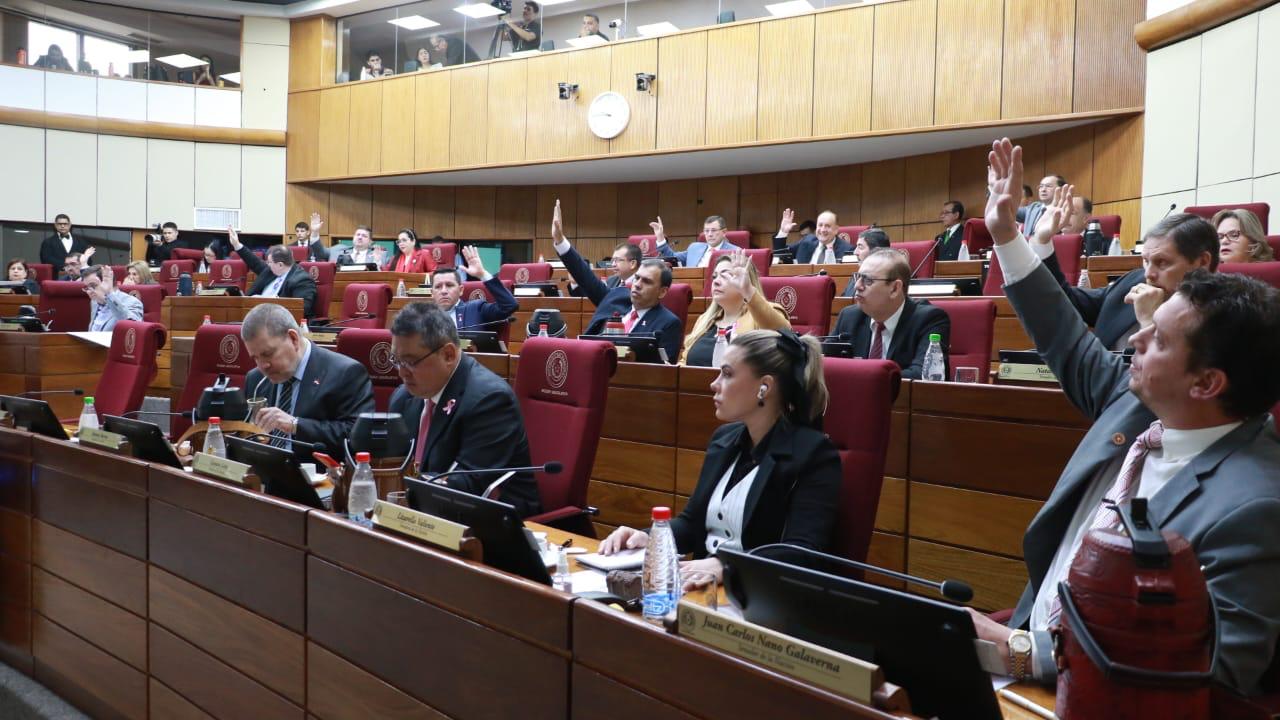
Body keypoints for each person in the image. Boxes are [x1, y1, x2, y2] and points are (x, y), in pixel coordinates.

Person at [969, 136, 1280, 695]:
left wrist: (1023, 654)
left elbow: (1217, 675)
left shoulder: (1256, 506)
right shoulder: (1140, 403)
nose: (1133, 337)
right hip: (1015, 661)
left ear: (1207, 382)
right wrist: (1006, 235)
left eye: (1157, 337)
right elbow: (1064, 335)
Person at [600, 329, 840, 590]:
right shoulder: (723, 440)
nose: (714, 384)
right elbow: (691, 524)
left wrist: (728, 564)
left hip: (759, 598)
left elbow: (803, 553)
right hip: (699, 588)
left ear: (765, 387)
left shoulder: (814, 454)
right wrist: (648, 539)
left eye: (727, 374)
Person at [387, 302, 542, 517]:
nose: (402, 373)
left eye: (411, 362)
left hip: (496, 525)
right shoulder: (403, 397)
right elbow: (391, 461)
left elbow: (469, 485)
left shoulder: (490, 400)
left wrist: (402, 485)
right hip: (427, 514)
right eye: (397, 360)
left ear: (448, 355)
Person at [1029, 184, 1218, 350]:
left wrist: (1149, 321)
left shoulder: (1221, 314)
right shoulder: (1134, 281)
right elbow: (1067, 300)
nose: (1149, 274)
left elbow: (1173, 381)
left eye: (1162, 263)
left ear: (1201, 263)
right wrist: (1042, 242)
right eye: (1146, 261)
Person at [553, 200, 683, 361]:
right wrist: (560, 241)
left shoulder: (668, 323)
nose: (637, 284)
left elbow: (664, 372)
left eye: (647, 281)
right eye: (637, 278)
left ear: (662, 291)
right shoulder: (617, 297)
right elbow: (585, 276)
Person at [241, 303, 374, 459]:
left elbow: (357, 437)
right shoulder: (255, 378)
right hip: (265, 476)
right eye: (255, 357)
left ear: (293, 339)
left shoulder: (346, 373)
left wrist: (296, 425)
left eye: (268, 354)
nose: (263, 365)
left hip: (321, 478)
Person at [833, 248, 950, 379]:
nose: (857, 286)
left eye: (867, 280)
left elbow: (924, 375)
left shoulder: (929, 320)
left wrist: (862, 377)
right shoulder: (849, 317)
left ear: (895, 288)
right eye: (858, 277)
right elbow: (826, 363)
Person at [682, 252, 789, 366]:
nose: (716, 282)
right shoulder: (704, 320)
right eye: (715, 276)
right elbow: (684, 362)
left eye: (725, 276)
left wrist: (748, 290)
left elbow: (783, 336)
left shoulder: (763, 315)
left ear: (746, 280)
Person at [229, 227, 319, 318]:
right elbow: (254, 262)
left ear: (280, 265)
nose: (267, 265)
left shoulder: (302, 280)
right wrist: (236, 244)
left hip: (276, 322)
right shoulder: (271, 271)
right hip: (253, 315)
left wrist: (267, 302)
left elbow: (302, 309)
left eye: (269, 262)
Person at [430, 246, 518, 329]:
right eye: (438, 287)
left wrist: (482, 274)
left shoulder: (476, 309)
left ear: (461, 290)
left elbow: (510, 306)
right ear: (432, 293)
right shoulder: (423, 316)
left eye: (449, 285)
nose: (444, 291)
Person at [654, 215, 740, 268]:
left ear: (724, 232)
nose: (709, 234)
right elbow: (672, 257)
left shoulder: (735, 252)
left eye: (713, 230)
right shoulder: (694, 248)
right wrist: (660, 237)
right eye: (706, 231)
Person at [775, 208, 851, 264]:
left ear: (836, 229)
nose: (823, 230)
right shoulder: (806, 242)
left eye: (827, 226)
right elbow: (781, 254)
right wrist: (783, 232)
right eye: (820, 225)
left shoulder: (847, 250)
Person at [84, 266, 144, 332]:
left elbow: (132, 328)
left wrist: (109, 294)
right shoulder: (94, 302)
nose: (89, 291)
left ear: (108, 283)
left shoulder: (133, 302)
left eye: (93, 286)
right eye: (87, 288)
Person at [568, 242, 640, 298]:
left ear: (632, 264)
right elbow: (591, 300)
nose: (613, 264)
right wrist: (575, 283)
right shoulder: (610, 281)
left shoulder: (642, 284)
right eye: (613, 260)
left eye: (617, 260)